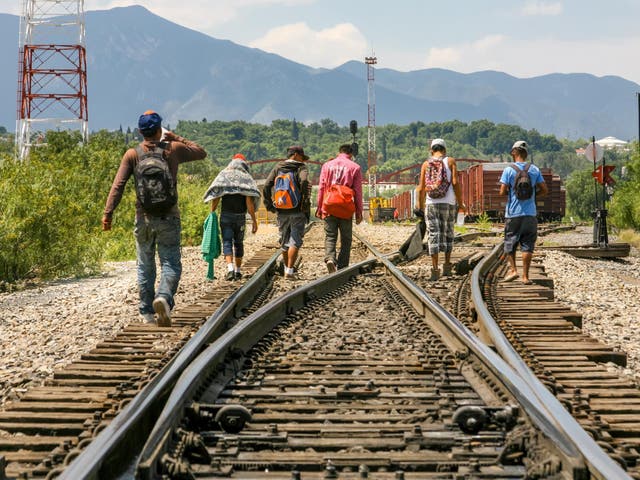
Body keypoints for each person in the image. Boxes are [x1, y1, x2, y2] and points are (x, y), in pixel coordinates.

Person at [102, 110, 207, 326]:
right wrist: (176, 137)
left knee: (145, 265)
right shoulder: (173, 149)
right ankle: (164, 297)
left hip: (143, 218)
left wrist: (108, 214)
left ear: (141, 132)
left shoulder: (132, 154)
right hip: (169, 217)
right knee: (170, 262)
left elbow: (118, 186)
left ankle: (146, 313)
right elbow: (201, 152)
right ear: (160, 130)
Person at [203, 153, 260, 281]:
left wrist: (212, 213)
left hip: (225, 216)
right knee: (238, 243)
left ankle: (230, 269)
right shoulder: (246, 178)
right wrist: (254, 221)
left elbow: (216, 195)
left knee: (227, 242)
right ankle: (238, 271)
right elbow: (249, 203)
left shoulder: (224, 175)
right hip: (240, 217)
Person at [499, 140, 548, 285]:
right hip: (530, 213)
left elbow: (502, 191)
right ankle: (525, 276)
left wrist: (511, 192)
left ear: (515, 152)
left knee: (510, 242)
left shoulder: (508, 170)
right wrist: (533, 195)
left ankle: (513, 270)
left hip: (513, 213)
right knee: (527, 244)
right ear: (526, 153)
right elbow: (545, 190)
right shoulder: (534, 170)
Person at [417, 138, 464, 281]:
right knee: (448, 232)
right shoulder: (450, 161)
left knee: (433, 234)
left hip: (431, 203)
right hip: (448, 202)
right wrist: (460, 203)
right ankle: (447, 267)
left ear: (431, 150)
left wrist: (420, 205)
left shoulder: (426, 164)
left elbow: (420, 188)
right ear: (444, 150)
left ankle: (435, 269)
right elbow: (455, 183)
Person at [263, 145, 311, 280]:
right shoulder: (301, 167)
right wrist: (304, 201)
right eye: (302, 156)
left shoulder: (278, 167)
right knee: (295, 240)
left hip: (281, 209)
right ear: (295, 155)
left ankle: (285, 269)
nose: (303, 159)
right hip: (297, 210)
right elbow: (304, 181)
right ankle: (289, 271)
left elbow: (267, 185)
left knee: (284, 241)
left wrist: (269, 204)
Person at [315, 143, 363, 273]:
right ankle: (342, 267)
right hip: (345, 207)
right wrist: (359, 212)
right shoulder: (355, 167)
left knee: (330, 235)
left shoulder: (327, 165)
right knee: (346, 238)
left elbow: (321, 188)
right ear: (351, 154)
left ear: (339, 152)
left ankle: (330, 258)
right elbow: (358, 191)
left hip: (329, 205)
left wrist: (320, 207)